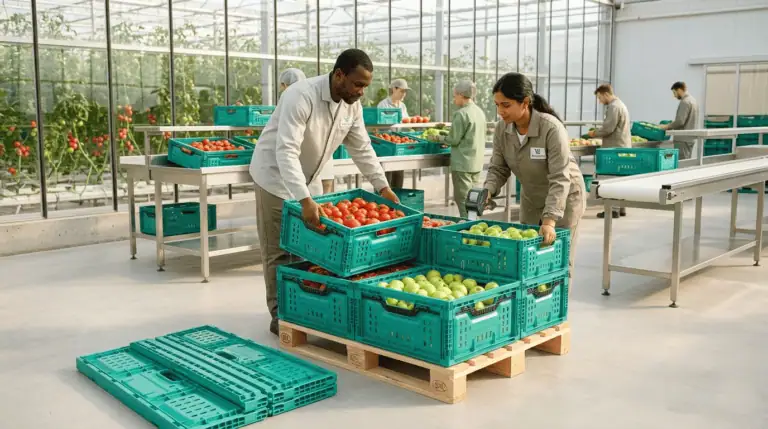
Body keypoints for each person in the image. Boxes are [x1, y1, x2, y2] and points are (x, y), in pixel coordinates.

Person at [249, 49, 399, 335]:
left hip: (308, 179)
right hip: (275, 175)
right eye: (358, 84)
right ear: (339, 75)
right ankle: (280, 314)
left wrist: (382, 186)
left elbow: (361, 147)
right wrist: (304, 199)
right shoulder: (300, 95)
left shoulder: (350, 104)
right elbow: (286, 151)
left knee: (308, 247)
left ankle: (301, 304)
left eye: (366, 86)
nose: (361, 92)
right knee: (278, 249)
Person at [484, 72, 586, 285]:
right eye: (497, 105)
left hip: (564, 199)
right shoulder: (502, 129)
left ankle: (557, 312)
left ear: (525, 103)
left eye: (506, 105)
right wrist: (488, 189)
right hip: (531, 197)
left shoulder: (550, 128)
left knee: (558, 260)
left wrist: (549, 220)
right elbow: (498, 167)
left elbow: (560, 178)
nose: (500, 111)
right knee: (527, 256)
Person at [439, 80, 487, 218]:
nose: (454, 99)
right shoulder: (479, 112)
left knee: (463, 200)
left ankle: (468, 229)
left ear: (461, 95)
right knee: (474, 200)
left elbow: (453, 139)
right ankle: (476, 225)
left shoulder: (461, 114)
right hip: (476, 163)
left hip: (462, 164)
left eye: (455, 96)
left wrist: (438, 138)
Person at [588, 84, 631, 219]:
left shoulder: (613, 107)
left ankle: (613, 210)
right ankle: (621, 208)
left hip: (614, 147)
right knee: (621, 178)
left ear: (606, 94)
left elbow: (608, 128)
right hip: (622, 146)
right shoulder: (621, 105)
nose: (600, 101)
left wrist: (594, 133)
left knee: (611, 178)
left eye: (600, 97)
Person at [378, 79, 410, 189]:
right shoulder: (383, 105)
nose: (404, 94)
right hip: (386, 143)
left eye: (405, 92)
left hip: (399, 143)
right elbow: (380, 125)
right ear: (394, 89)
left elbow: (406, 121)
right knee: (386, 175)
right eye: (402, 91)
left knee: (399, 174)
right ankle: (385, 201)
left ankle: (397, 200)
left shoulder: (402, 106)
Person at [660, 81, 699, 160]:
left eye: (674, 92)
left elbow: (680, 121)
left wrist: (666, 126)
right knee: (687, 162)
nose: (674, 96)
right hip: (690, 139)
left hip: (682, 140)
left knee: (682, 164)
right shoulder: (693, 100)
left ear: (679, 90)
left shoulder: (685, 102)